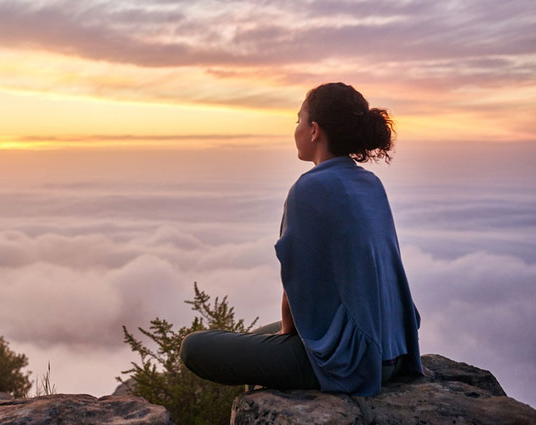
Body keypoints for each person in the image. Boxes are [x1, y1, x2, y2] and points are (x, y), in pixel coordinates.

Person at [179, 82, 423, 396]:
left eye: (299, 121)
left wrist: (289, 337)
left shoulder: (309, 189)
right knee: (256, 336)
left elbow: (297, 288)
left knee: (195, 347)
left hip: (355, 362)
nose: (295, 129)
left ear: (314, 130)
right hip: (394, 350)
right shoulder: (369, 183)